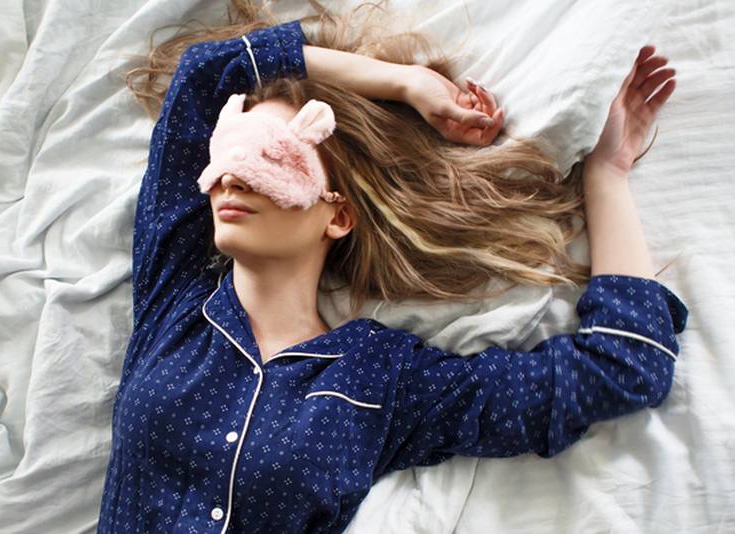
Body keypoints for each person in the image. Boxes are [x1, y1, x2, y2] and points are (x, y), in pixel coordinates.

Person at [97, 5, 688, 533]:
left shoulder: (380, 382)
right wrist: (407, 84)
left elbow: (623, 366)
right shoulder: (174, 300)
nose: (231, 175)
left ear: (338, 215)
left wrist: (607, 174)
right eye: (229, 151)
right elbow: (207, 72)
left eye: (271, 155)